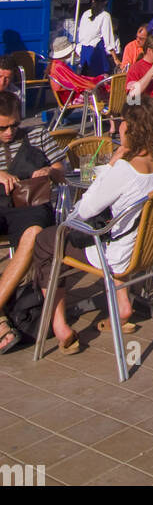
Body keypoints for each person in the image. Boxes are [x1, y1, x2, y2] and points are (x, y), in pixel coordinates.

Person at [32, 97, 153, 351]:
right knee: (119, 228)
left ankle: (59, 326)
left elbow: (82, 211)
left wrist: (112, 164)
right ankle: (122, 303)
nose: (119, 126)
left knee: (47, 241)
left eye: (123, 122)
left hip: (121, 255)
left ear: (132, 128)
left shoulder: (126, 170)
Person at [0, 90, 66, 353]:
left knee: (35, 233)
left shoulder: (37, 134)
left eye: (14, 125)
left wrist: (50, 170)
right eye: (2, 127)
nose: (9, 132)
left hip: (30, 207)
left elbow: (62, 170)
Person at [76, 0, 120, 76]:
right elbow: (108, 40)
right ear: (105, 2)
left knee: (86, 78)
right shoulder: (105, 16)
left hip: (83, 52)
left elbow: (80, 36)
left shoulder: (85, 14)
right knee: (99, 79)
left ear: (93, 1)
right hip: (96, 52)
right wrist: (115, 58)